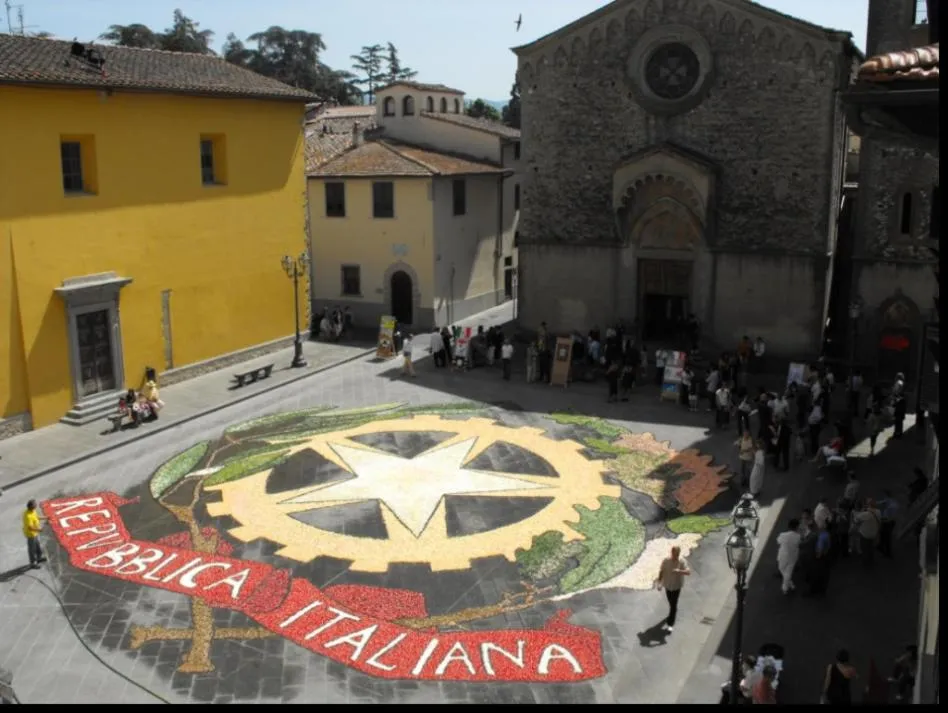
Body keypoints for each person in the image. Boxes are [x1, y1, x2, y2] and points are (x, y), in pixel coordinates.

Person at [654, 546, 690, 633]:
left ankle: (670, 624)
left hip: (677, 586)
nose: (675, 556)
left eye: (676, 554)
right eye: (674, 554)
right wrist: (659, 583)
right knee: (671, 603)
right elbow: (661, 571)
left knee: (673, 605)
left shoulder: (682, 561)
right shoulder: (666, 561)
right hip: (668, 586)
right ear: (671, 553)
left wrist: (679, 571)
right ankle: (671, 614)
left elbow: (688, 572)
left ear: (678, 554)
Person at [776, 519, 802, 595]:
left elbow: (778, 541)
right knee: (788, 571)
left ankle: (785, 588)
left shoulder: (783, 535)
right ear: (797, 527)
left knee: (782, 569)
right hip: (793, 556)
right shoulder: (798, 536)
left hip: (783, 555)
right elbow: (799, 544)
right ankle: (789, 585)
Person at [23, 500, 46, 569]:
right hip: (31, 535)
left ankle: (39, 558)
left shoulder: (32, 511)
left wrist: (46, 517)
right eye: (35, 505)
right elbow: (30, 528)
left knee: (38, 546)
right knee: (32, 549)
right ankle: (32, 563)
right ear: (31, 507)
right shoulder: (27, 516)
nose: (36, 506)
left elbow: (37, 517)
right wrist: (39, 529)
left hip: (35, 533)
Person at [877, 489, 898, 558]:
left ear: (886, 495)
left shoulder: (889, 505)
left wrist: (881, 519)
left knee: (887, 537)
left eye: (883, 495)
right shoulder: (892, 501)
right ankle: (880, 546)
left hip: (888, 522)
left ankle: (888, 553)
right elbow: (880, 502)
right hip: (890, 522)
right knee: (882, 533)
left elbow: (887, 516)